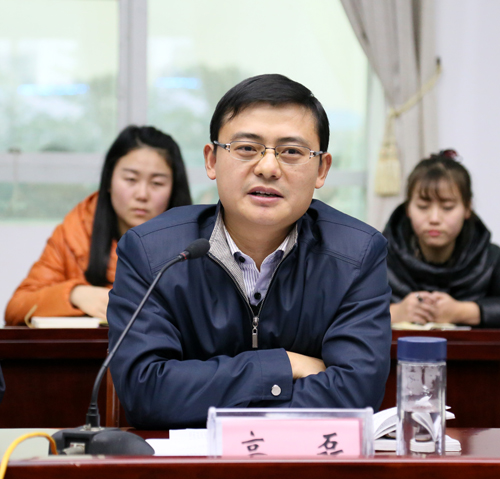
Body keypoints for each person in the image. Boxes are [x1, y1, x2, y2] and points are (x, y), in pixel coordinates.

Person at [107, 74, 392, 429]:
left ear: (321, 169)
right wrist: (283, 365)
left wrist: (204, 393)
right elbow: (146, 393)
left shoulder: (358, 254)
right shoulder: (152, 252)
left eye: (291, 152)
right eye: (246, 148)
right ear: (211, 161)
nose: (268, 168)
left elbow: (356, 395)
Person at [5, 126, 192, 326]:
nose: (142, 194)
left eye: (157, 183)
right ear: (109, 180)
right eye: (131, 179)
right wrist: (74, 294)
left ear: (173, 188)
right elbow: (16, 308)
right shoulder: (76, 232)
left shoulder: (197, 242)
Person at [384, 150, 500, 327]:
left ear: (467, 208)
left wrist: (464, 312)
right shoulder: (378, 257)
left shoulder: (491, 259)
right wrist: (395, 312)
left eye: (447, 207)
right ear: (408, 208)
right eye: (423, 206)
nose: (434, 219)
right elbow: (347, 312)